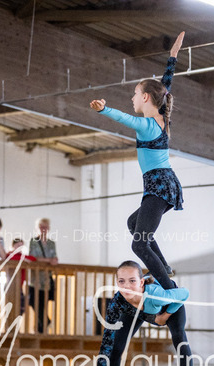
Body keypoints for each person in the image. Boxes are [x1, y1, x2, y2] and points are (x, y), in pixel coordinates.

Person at [90, 31, 185, 291]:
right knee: (134, 225)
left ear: (145, 97)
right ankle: (163, 267)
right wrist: (173, 56)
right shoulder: (161, 116)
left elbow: (125, 118)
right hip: (163, 184)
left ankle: (170, 288)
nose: (132, 98)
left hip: (160, 185)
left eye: (135, 93)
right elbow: (166, 84)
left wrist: (104, 109)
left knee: (139, 244)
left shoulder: (147, 125)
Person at [87, 260, 202, 366]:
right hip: (140, 312)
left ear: (141, 283)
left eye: (132, 281)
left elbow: (184, 293)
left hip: (170, 306)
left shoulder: (156, 295)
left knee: (180, 340)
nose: (126, 286)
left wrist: (164, 316)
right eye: (121, 281)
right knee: (116, 346)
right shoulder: (117, 302)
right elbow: (107, 342)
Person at [28, 218, 58, 333]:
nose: (43, 229)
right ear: (37, 228)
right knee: (34, 302)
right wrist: (48, 260)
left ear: (48, 228)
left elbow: (54, 258)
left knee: (43, 305)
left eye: (45, 227)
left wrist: (51, 261)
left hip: (46, 280)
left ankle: (40, 331)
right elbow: (33, 257)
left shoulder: (51, 243)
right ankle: (46, 322)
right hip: (35, 279)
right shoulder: (33, 241)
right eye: (41, 227)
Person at [6, 238, 36, 315]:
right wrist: (23, 259)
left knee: (21, 308)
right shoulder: (10, 255)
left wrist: (23, 259)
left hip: (19, 286)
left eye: (21, 246)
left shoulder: (23, 256)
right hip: (11, 285)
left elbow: (33, 259)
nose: (20, 248)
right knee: (12, 308)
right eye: (18, 245)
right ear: (13, 246)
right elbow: (10, 258)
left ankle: (16, 321)